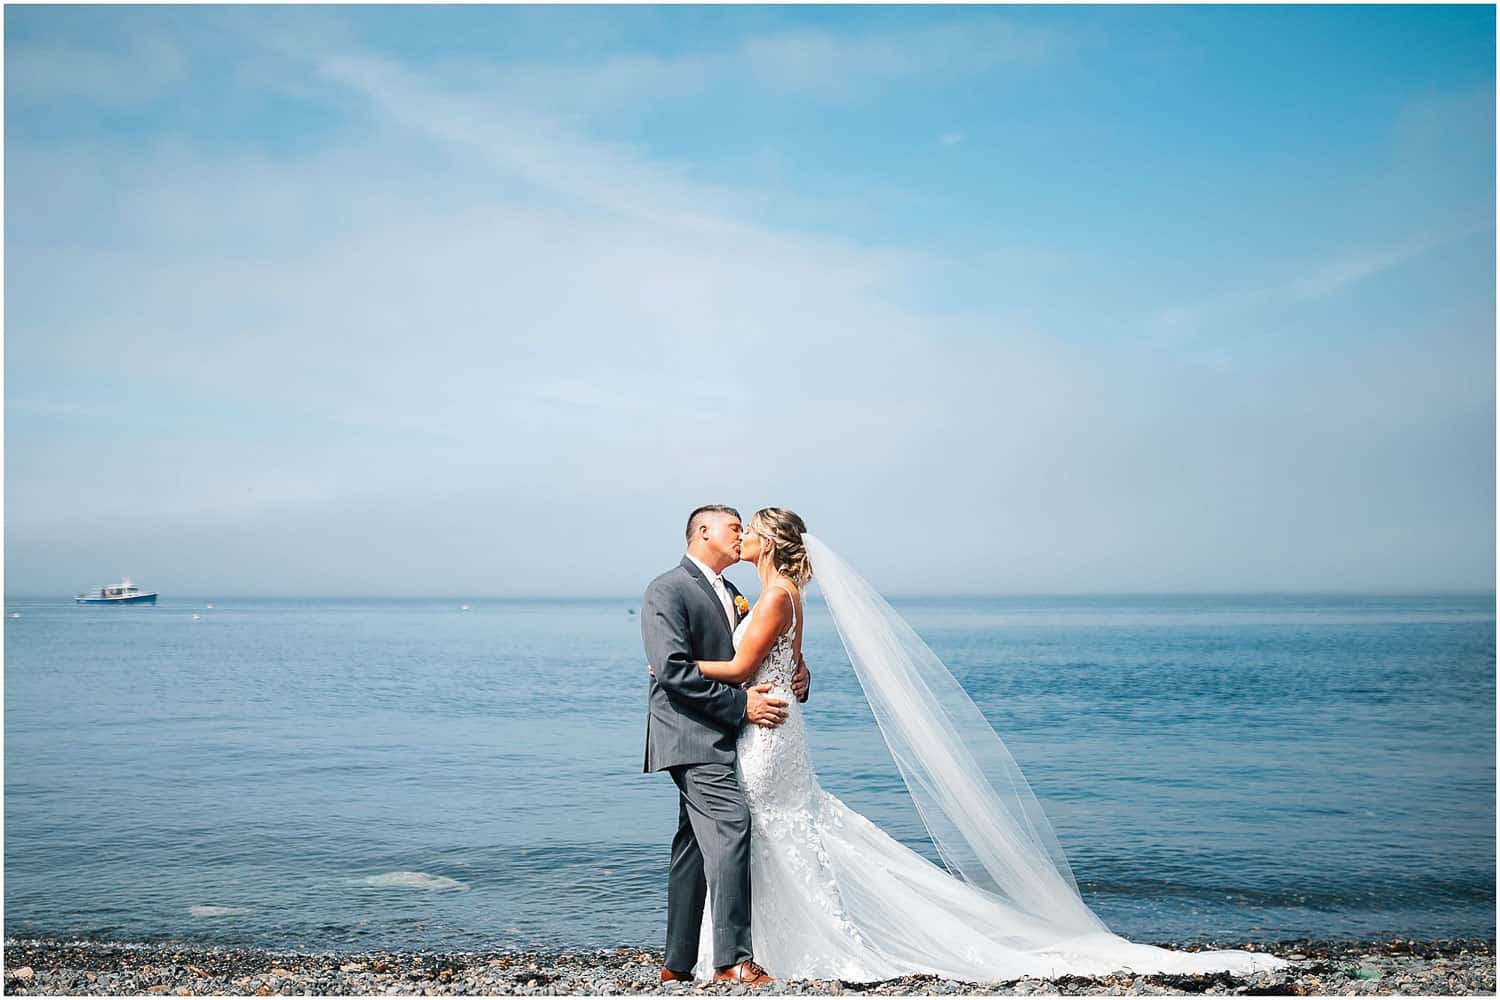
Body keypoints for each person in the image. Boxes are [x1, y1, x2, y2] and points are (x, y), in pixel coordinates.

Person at [684, 506, 1289, 983]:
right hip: (780, 729)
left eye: (747, 532)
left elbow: (741, 668)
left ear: (768, 541)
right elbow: (797, 666)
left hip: (767, 737)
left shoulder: (771, 597)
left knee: (766, 828)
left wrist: (677, 667)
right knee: (778, 830)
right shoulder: (790, 593)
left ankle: (765, 945)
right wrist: (787, 675)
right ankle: (756, 944)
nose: (740, 540)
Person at [640, 505, 811, 987]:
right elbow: (672, 672)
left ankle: (676, 964)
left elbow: (755, 655)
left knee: (693, 846)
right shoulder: (666, 589)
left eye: (745, 529)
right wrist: (742, 708)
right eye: (733, 527)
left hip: (729, 736)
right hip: (691, 734)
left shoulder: (736, 594)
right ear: (702, 532)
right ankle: (731, 962)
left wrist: (798, 670)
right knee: (733, 824)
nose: (740, 536)